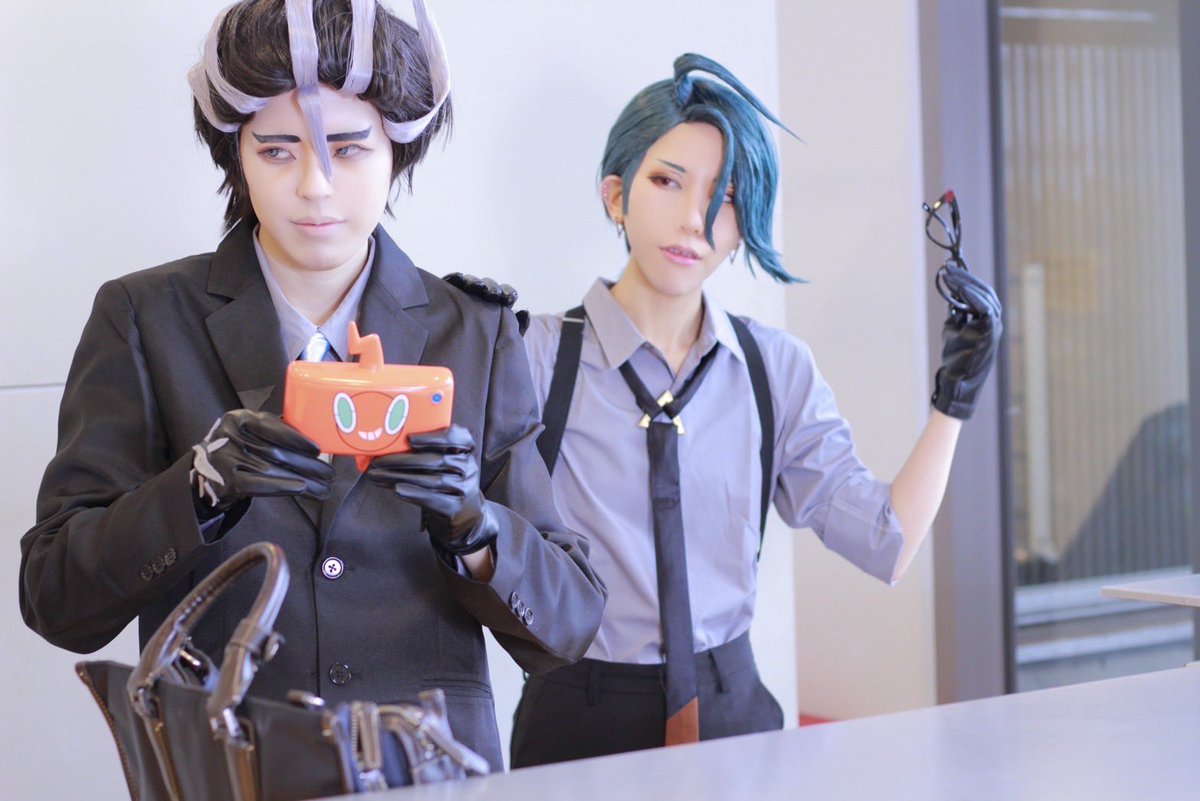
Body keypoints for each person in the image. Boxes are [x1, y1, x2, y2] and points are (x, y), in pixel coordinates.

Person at [18, 0, 604, 771]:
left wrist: (476, 529)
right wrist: (195, 491)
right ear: (237, 155)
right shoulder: (143, 318)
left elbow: (569, 626)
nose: (316, 186)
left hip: (427, 768)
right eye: (277, 150)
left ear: (397, 150)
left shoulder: (475, 330)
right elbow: (57, 599)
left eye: (350, 149)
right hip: (227, 768)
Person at [510, 54, 1001, 766]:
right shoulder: (530, 356)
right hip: (577, 720)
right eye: (666, 181)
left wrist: (955, 399)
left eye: (727, 197)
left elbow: (886, 542)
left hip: (735, 717)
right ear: (616, 196)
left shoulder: (774, 369)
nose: (694, 218)